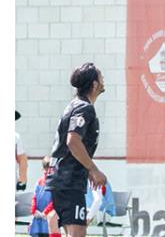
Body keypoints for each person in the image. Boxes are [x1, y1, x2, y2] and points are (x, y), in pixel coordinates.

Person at [48, 63, 107, 237]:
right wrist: (93, 169)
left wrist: (86, 167)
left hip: (64, 180)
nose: (104, 79)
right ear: (94, 84)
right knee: (77, 233)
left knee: (74, 232)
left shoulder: (76, 105)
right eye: (101, 76)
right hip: (68, 181)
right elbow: (73, 141)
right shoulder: (84, 108)